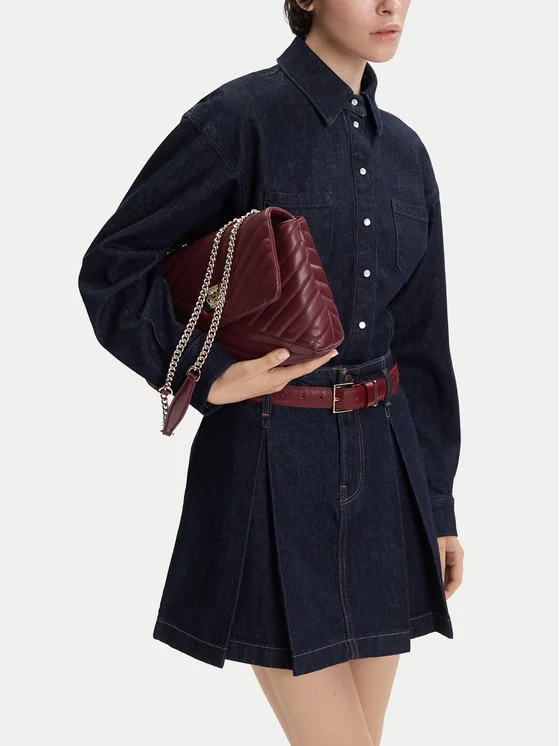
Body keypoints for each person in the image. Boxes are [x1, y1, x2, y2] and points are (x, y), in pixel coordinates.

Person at [78, 1, 464, 743]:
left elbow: (421, 344)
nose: (392, 4)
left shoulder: (406, 154)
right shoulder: (238, 120)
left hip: (386, 478)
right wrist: (208, 374)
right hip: (271, 459)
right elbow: (113, 269)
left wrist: (439, 508)